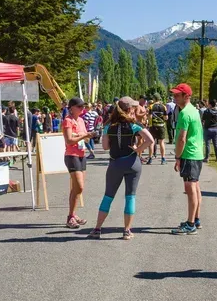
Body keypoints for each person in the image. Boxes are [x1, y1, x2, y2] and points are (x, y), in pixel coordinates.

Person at [88, 97, 154, 240]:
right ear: (130, 109)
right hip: (132, 163)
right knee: (130, 196)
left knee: (108, 196)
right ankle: (126, 231)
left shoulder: (108, 126)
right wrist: (138, 150)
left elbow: (105, 147)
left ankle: (97, 228)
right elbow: (150, 140)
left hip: (115, 163)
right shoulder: (134, 125)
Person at [170, 83, 205, 235]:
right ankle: (195, 219)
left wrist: (178, 156)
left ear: (187, 96)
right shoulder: (193, 110)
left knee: (190, 189)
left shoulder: (184, 113)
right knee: (195, 187)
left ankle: (191, 224)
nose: (174, 97)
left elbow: (181, 139)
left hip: (189, 154)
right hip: (196, 153)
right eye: (174, 95)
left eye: (178, 95)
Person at [62, 97, 96, 229]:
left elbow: (83, 137)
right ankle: (71, 216)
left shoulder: (81, 120)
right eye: (79, 107)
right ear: (71, 108)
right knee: (79, 187)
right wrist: (85, 136)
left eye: (83, 107)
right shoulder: (67, 121)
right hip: (71, 155)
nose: (82, 109)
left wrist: (87, 138)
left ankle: (72, 215)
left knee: (77, 189)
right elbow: (69, 140)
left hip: (81, 155)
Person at [148, 93, 168, 165]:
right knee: (161, 142)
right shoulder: (164, 107)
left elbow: (150, 117)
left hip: (153, 126)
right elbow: (166, 118)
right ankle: (163, 159)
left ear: (154, 99)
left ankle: (150, 158)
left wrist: (150, 123)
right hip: (161, 126)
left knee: (152, 142)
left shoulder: (151, 106)